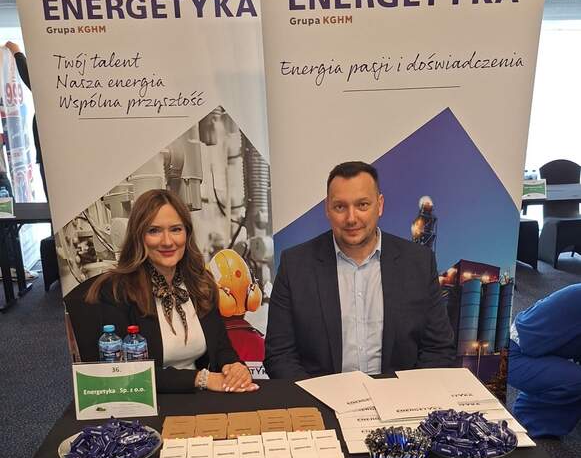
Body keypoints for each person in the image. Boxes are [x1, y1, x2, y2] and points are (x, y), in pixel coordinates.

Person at [265, 161, 455, 379]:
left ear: (380, 205)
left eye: (362, 205)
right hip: (320, 395)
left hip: (399, 395)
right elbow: (280, 355)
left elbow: (438, 349)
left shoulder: (418, 262)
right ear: (327, 208)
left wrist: (408, 394)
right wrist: (314, 397)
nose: (351, 218)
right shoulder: (295, 265)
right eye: (340, 207)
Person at [72, 189, 257, 394]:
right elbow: (126, 373)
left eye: (176, 229)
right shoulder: (115, 292)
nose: (168, 241)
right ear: (139, 236)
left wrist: (234, 367)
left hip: (202, 399)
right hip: (148, 402)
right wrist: (200, 379)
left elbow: (221, 347)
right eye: (154, 231)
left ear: (187, 234)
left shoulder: (201, 283)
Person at [508, 284, 581, 438]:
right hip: (512, 355)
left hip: (533, 350)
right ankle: (529, 420)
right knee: (576, 381)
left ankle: (542, 391)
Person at [4, 41, 47, 201]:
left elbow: (33, 81)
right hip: (48, 153)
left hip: (51, 154)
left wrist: (17, 53)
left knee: (57, 202)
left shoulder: (52, 91)